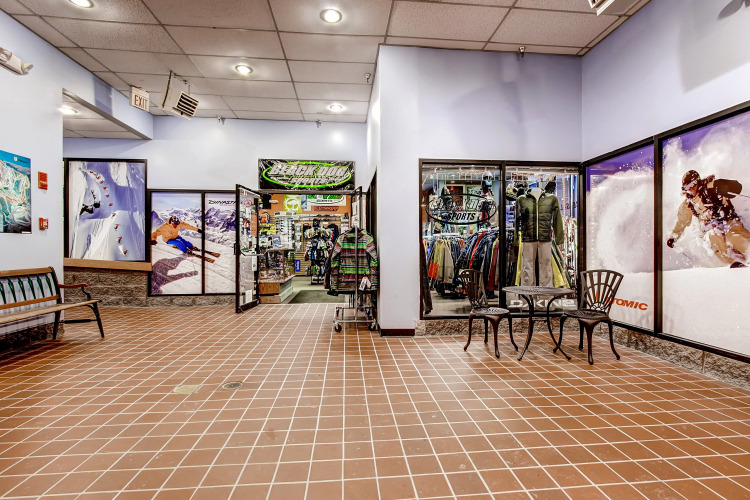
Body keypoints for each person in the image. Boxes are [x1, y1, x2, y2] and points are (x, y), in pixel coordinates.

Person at [667, 170, 749, 267]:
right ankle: (735, 259)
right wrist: (673, 237)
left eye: (692, 184)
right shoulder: (688, 204)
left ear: (697, 182)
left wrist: (726, 186)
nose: (691, 189)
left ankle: (748, 251)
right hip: (713, 227)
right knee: (712, 237)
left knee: (733, 236)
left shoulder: (711, 188)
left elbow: (736, 187)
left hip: (729, 220)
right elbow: (682, 221)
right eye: (687, 187)